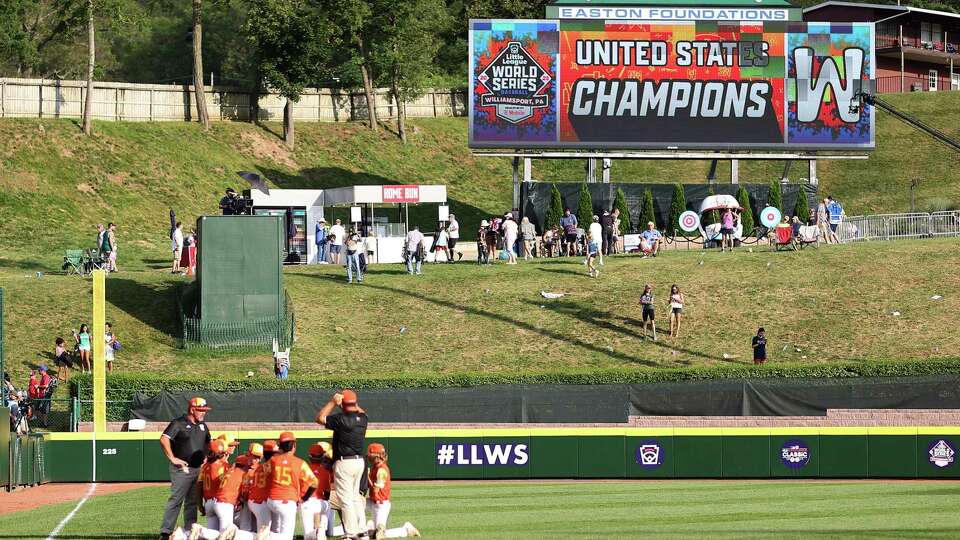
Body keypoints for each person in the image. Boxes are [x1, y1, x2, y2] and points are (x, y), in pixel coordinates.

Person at [315, 390, 369, 540]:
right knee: (355, 498)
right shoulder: (363, 418)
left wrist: (333, 402)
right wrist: (349, 403)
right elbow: (360, 411)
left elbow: (319, 418)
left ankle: (352, 533)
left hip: (345, 462)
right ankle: (362, 529)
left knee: (345, 499)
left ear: (343, 404)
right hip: (359, 462)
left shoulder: (340, 419)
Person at [159, 397, 212, 540]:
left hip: (197, 468)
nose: (203, 413)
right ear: (192, 409)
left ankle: (190, 531)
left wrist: (206, 456)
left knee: (192, 502)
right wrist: (172, 458)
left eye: (205, 411)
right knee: (176, 499)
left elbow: (209, 442)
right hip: (183, 469)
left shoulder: (203, 426)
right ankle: (165, 532)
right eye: (201, 410)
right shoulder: (178, 423)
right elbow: (164, 439)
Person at [262, 432, 318, 540]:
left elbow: (264, 471)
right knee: (287, 536)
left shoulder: (273, 460)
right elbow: (314, 482)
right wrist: (304, 498)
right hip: (287, 501)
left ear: (280, 446)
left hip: (271, 500)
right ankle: (267, 536)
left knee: (278, 529)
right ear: (294, 445)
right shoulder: (299, 462)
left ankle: (268, 535)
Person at [363, 443, 421, 539]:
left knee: (379, 536)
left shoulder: (382, 470)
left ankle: (406, 529)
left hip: (381, 505)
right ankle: (369, 527)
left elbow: (375, 490)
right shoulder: (375, 467)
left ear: (377, 456)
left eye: (370, 455)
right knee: (356, 505)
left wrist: (367, 475)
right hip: (372, 501)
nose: (369, 457)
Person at [301, 442, 333, 540]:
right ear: (322, 457)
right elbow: (327, 493)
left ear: (310, 456)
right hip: (320, 503)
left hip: (307, 503)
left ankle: (317, 532)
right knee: (328, 504)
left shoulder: (303, 469)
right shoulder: (326, 472)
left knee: (307, 536)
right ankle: (322, 528)